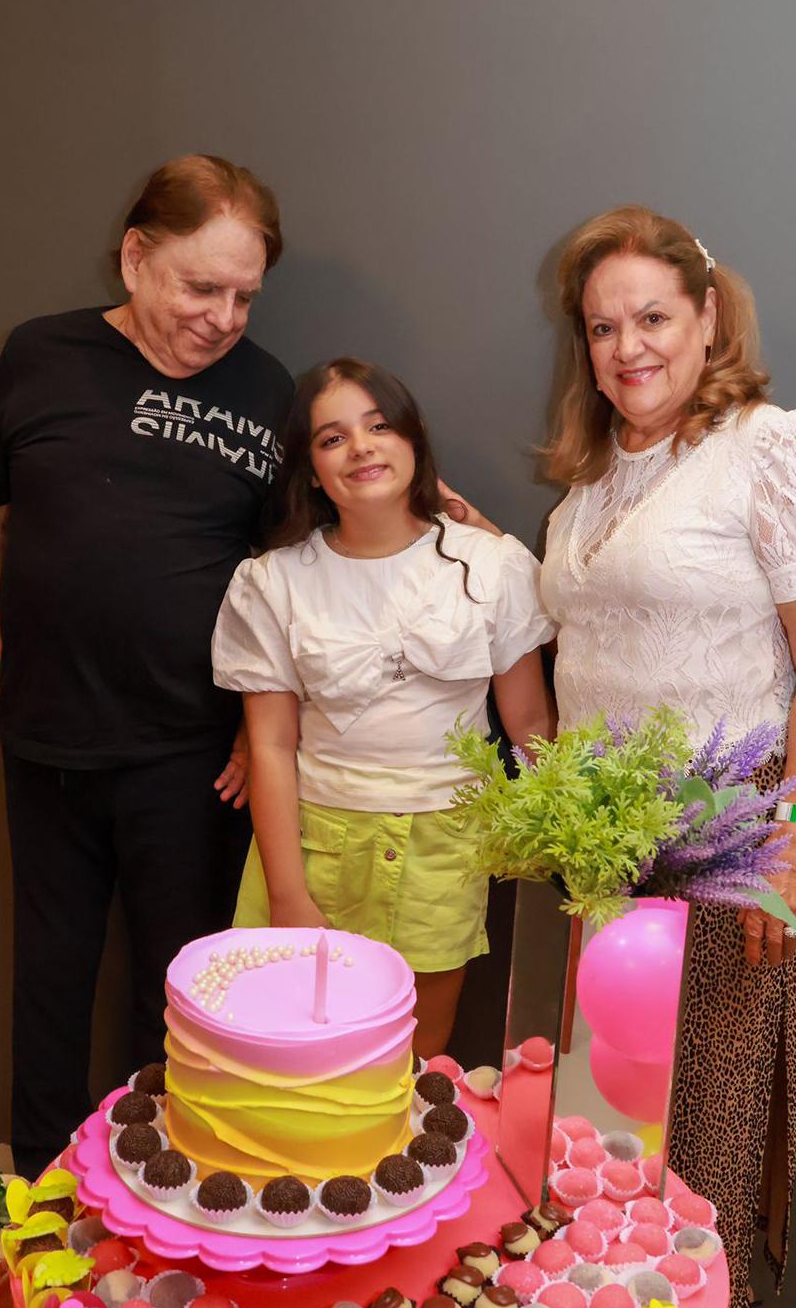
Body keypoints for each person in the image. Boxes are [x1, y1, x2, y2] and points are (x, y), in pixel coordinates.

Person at [538, 205, 796, 1308]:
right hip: (602, 838)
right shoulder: (593, 476)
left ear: (707, 315)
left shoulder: (772, 446)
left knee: (714, 1104)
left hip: (729, 829)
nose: (627, 347)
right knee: (611, 1099)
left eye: (651, 317)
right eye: (601, 327)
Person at [0, 155, 294, 1181]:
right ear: (136, 255)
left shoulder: (268, 389)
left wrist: (255, 725)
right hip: (49, 735)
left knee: (185, 994)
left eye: (243, 295)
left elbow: (282, 582)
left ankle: (171, 1203)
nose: (222, 317)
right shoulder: (38, 353)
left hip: (191, 754)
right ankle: (44, 1205)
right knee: (50, 981)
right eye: (201, 288)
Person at [211, 358, 557, 1054]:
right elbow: (272, 746)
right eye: (332, 438)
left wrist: (561, 843)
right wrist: (288, 894)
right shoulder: (271, 582)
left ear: (413, 441)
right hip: (314, 844)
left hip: (445, 846)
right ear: (311, 469)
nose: (362, 447)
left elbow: (529, 727)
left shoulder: (491, 565)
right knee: (292, 1052)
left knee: (412, 1058)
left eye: (379, 426)